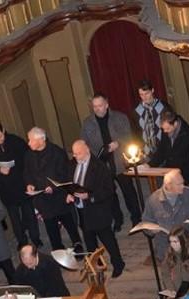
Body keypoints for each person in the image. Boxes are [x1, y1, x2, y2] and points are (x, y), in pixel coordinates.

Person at [80, 93, 141, 229]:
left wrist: (118, 143)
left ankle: (136, 217)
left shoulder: (120, 118)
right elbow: (84, 142)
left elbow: (129, 136)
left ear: (106, 105)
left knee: (128, 191)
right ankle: (117, 219)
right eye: (94, 106)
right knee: (110, 194)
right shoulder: (88, 123)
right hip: (101, 164)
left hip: (120, 161)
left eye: (100, 106)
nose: (97, 109)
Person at [68, 140, 125, 277]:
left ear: (87, 150)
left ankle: (118, 264)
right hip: (82, 211)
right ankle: (97, 267)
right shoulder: (73, 164)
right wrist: (70, 194)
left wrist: (89, 196)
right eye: (74, 154)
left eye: (79, 153)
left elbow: (108, 190)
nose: (76, 157)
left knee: (108, 240)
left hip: (98, 211)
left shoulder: (99, 167)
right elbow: (71, 183)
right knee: (90, 242)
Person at [0, 122, 41, 247]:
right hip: (6, 189)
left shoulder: (16, 141)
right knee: (14, 218)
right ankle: (22, 241)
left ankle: (35, 238)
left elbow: (28, 159)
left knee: (29, 213)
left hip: (22, 184)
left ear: (3, 130)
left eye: (0, 137)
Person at [23, 127, 83, 251]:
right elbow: (27, 172)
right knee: (50, 226)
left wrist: (54, 187)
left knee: (68, 222)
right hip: (42, 199)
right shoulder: (29, 154)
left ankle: (78, 245)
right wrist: (29, 183)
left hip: (59, 196)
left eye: (31, 140)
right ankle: (58, 249)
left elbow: (65, 174)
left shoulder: (57, 152)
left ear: (41, 139)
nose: (28, 143)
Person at [141, 169, 189, 259]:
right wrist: (151, 230)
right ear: (168, 185)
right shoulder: (153, 200)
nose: (183, 186)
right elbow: (146, 222)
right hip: (165, 249)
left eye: (183, 183)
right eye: (179, 184)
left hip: (188, 246)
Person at [147, 110, 189, 184]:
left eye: (167, 128)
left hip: (184, 175)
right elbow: (162, 150)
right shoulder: (166, 129)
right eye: (163, 129)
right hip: (170, 173)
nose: (165, 131)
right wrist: (149, 165)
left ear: (175, 124)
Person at [135, 79, 169, 158]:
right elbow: (136, 133)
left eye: (146, 93)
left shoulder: (164, 107)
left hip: (164, 151)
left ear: (152, 90)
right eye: (141, 94)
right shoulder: (136, 111)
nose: (144, 97)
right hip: (145, 154)